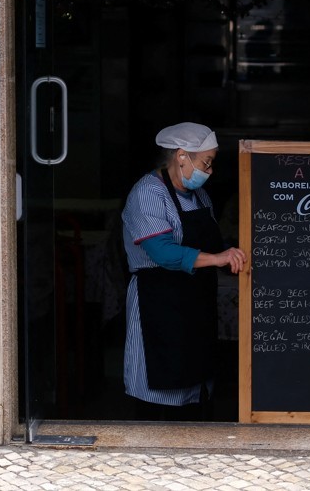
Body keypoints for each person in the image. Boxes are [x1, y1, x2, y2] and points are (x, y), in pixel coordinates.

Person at [121, 122, 247, 419]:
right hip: (159, 304)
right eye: (207, 162)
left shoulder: (199, 196)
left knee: (196, 396)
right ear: (181, 156)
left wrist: (231, 258)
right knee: (162, 396)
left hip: (196, 303)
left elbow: (213, 244)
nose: (210, 170)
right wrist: (217, 259)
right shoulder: (148, 193)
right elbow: (163, 253)